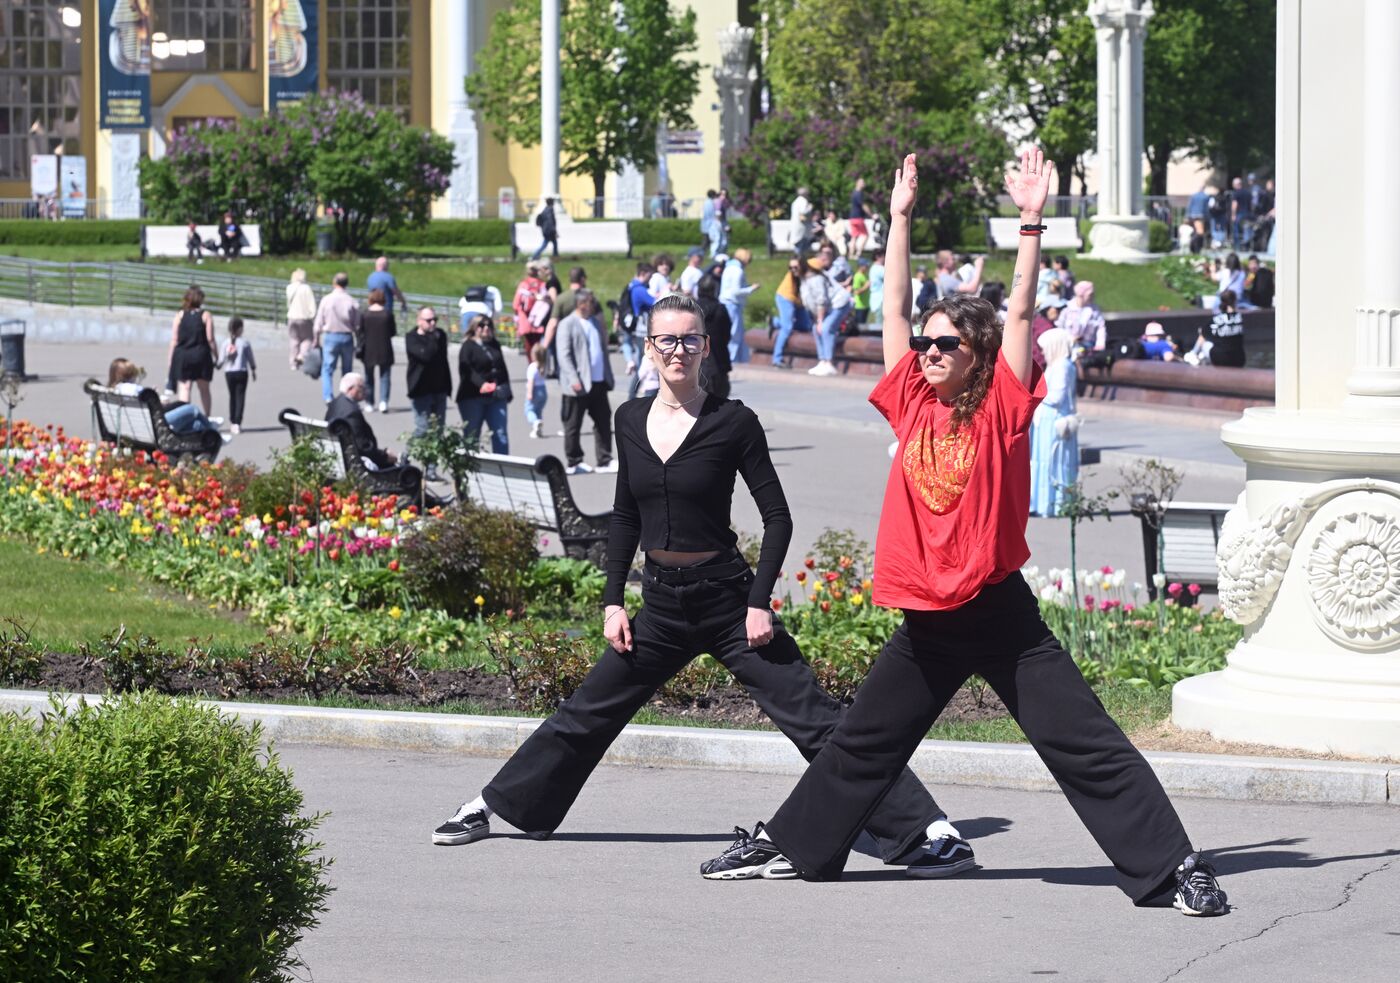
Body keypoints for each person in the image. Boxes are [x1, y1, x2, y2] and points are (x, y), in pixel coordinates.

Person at [700, 149, 1230, 919]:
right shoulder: (914, 400)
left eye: (947, 343)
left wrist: (1029, 222)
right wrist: (901, 218)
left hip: (997, 614)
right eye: (927, 343)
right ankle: (793, 845)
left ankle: (1175, 865)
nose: (931, 352)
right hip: (928, 620)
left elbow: (1019, 313)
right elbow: (891, 310)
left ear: (978, 354)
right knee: (863, 742)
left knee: (1083, 741)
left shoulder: (1003, 407)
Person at [432, 292, 970, 881]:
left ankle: (927, 832)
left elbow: (778, 517)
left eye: (690, 338)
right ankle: (496, 805)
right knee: (587, 710)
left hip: (728, 601)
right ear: (649, 348)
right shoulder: (629, 419)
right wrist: (614, 601)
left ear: (706, 346)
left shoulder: (732, 421)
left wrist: (758, 602)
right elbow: (625, 518)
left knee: (813, 718)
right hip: (660, 606)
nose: (679, 350)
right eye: (667, 339)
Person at [555, 290, 615, 475]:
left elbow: (602, 350)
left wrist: (607, 375)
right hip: (578, 384)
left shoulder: (594, 322)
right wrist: (573, 378)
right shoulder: (567, 324)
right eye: (590, 303)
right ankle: (574, 461)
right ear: (580, 304)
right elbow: (564, 354)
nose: (593, 307)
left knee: (603, 421)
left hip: (598, 381)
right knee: (573, 424)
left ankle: (604, 459)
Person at [1029, 326, 1078, 518]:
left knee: (1051, 461)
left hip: (1054, 421)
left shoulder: (1062, 367)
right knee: (1044, 460)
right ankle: (1044, 503)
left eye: (1045, 348)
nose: (1043, 353)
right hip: (1048, 420)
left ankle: (1052, 504)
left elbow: (1057, 397)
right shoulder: (1058, 365)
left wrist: (1036, 393)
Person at [108, 357, 220, 437]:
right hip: (154, 426)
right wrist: (157, 398)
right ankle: (213, 431)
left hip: (137, 426)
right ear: (129, 375)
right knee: (192, 410)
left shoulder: (116, 389)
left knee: (196, 425)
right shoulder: (132, 388)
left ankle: (209, 433)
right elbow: (152, 403)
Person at [457, 314, 512, 455]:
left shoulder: (494, 344)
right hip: (473, 397)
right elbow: (466, 370)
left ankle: (502, 470)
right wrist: (482, 384)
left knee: (501, 435)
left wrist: (507, 389)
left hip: (496, 396)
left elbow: (502, 368)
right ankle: (468, 470)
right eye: (481, 325)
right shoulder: (468, 346)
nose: (486, 328)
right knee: (472, 436)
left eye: (489, 325)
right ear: (474, 328)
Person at [327, 373, 403, 471]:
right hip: (354, 463)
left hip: (341, 456)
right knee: (404, 470)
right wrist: (385, 456)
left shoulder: (336, 403)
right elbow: (362, 447)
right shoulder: (351, 412)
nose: (365, 391)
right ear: (350, 389)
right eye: (361, 387)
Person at [167, 286, 217, 415]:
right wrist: (216, 355)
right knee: (204, 389)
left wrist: (170, 359)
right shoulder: (206, 315)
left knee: (185, 387)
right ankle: (207, 417)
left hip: (183, 355)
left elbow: (174, 339)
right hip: (201, 354)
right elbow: (210, 339)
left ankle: (185, 417)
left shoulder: (180, 315)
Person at [313, 272, 361, 404]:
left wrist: (316, 339)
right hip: (346, 336)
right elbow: (357, 324)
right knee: (347, 369)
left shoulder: (326, 299)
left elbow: (318, 322)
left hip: (330, 335)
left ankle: (328, 396)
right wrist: (357, 339)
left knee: (328, 368)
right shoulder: (351, 300)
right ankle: (347, 396)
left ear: (334, 283)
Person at [404, 306, 452, 437]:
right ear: (419, 321)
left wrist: (448, 387)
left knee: (439, 429)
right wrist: (432, 337)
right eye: (429, 320)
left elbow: (443, 360)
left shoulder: (440, 335)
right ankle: (407, 455)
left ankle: (433, 458)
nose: (433, 323)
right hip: (421, 389)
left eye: (434, 320)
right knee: (423, 429)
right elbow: (426, 356)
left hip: (439, 388)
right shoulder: (412, 338)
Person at [695, 273, 733, 400]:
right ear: (714, 290)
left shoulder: (691, 309)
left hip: (696, 362)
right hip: (718, 360)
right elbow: (726, 335)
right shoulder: (721, 310)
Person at [799, 251, 837, 377]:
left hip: (838, 305)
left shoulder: (818, 279)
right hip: (826, 309)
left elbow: (822, 301)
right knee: (816, 329)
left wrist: (820, 320)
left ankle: (829, 363)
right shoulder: (806, 280)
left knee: (825, 329)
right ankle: (822, 361)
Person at [771, 257, 812, 370]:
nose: (793, 270)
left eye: (795, 267)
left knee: (806, 326)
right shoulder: (793, 277)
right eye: (790, 267)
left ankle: (775, 322)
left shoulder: (807, 271)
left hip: (797, 300)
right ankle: (777, 359)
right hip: (785, 298)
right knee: (787, 327)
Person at [360, 288, 397, 413]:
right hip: (385, 348)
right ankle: (383, 401)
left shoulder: (365, 314)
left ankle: (369, 402)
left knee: (368, 377)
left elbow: (360, 333)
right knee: (385, 376)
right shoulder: (387, 314)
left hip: (368, 350)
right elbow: (393, 332)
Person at [720, 248, 759, 364]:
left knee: (731, 333)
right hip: (732, 304)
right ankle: (733, 360)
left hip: (725, 303)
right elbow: (736, 291)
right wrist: (751, 289)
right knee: (735, 334)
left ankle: (737, 359)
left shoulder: (728, 268)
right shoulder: (738, 271)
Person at [219, 316, 256, 436]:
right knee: (240, 396)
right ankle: (237, 422)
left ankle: (232, 420)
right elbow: (250, 358)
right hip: (241, 371)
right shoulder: (244, 343)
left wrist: (217, 365)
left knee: (232, 396)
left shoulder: (225, 343)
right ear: (240, 329)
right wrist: (253, 369)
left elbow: (220, 360)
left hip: (229, 372)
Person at [513, 262, 550, 362]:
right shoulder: (542, 284)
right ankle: (539, 362)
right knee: (537, 342)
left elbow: (516, 303)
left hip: (525, 318)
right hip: (538, 318)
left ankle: (531, 363)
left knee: (528, 343)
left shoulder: (523, 284)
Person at [1061, 280, 1107, 358]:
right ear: (1081, 294)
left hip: (1089, 346)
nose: (1093, 296)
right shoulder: (1067, 309)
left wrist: (1100, 344)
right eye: (1090, 294)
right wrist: (1070, 339)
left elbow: (1101, 327)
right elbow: (1060, 327)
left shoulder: (1094, 310)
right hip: (1069, 346)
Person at [285, 269, 317, 370]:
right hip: (304, 317)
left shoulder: (289, 288)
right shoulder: (306, 288)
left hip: (291, 317)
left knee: (294, 339)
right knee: (307, 339)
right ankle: (301, 356)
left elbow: (288, 304)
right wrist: (313, 316)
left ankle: (293, 362)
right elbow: (312, 304)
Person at [1208, 290, 1246, 368]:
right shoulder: (1240, 318)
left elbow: (1204, 333)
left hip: (1219, 359)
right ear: (1235, 300)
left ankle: (1194, 354)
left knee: (1206, 342)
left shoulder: (1215, 319)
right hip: (1238, 360)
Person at [1031, 295, 1067, 369]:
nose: (1059, 311)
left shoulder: (1045, 323)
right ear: (1047, 309)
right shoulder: (1044, 327)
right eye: (1057, 308)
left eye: (1061, 309)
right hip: (1042, 368)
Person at [524, 342, 550, 439]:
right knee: (538, 410)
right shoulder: (544, 366)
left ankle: (535, 422)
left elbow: (531, 382)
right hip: (543, 390)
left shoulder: (532, 367)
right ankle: (538, 430)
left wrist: (529, 393)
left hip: (535, 390)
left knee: (529, 410)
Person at [848, 177, 871, 258]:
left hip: (852, 218)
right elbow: (863, 205)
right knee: (865, 235)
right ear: (857, 183)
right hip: (858, 218)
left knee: (854, 237)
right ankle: (858, 254)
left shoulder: (854, 193)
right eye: (862, 182)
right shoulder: (859, 193)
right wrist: (871, 215)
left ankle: (851, 255)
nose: (864, 184)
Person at [789, 186, 813, 256]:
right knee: (801, 245)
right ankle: (800, 260)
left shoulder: (795, 202)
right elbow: (803, 211)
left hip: (795, 227)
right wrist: (810, 207)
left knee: (798, 245)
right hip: (801, 228)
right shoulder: (804, 201)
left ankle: (797, 258)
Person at [851, 258, 872, 330]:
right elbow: (856, 292)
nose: (867, 267)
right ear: (861, 266)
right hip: (859, 306)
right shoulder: (857, 276)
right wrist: (865, 287)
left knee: (864, 326)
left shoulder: (865, 275)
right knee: (859, 327)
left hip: (865, 305)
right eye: (866, 266)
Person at [869, 249, 886, 329]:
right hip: (880, 300)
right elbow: (892, 276)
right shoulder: (879, 269)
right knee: (880, 326)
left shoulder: (873, 268)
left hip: (876, 299)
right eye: (883, 256)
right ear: (878, 257)